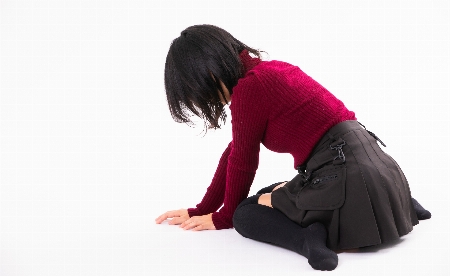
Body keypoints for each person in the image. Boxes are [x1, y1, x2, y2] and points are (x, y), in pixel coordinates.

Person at [155, 24, 431, 271]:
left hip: (346, 176)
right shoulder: (270, 71)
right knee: (267, 191)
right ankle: (396, 201)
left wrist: (224, 217)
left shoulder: (250, 89)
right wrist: (203, 208)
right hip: (379, 167)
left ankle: (307, 240)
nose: (204, 99)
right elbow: (235, 151)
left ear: (209, 72)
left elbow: (243, 160)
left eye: (198, 90)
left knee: (245, 215)